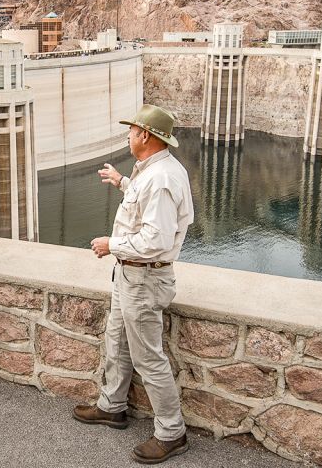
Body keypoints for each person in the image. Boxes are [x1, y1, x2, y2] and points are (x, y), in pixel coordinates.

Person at [73, 104, 194, 464]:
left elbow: (155, 239)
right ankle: (112, 407)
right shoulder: (153, 172)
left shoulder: (162, 179)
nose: (128, 136)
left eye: (131, 131)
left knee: (149, 358)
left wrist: (112, 245)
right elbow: (144, 206)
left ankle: (172, 433)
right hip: (131, 275)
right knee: (118, 340)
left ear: (145, 136)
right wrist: (122, 181)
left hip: (143, 276)